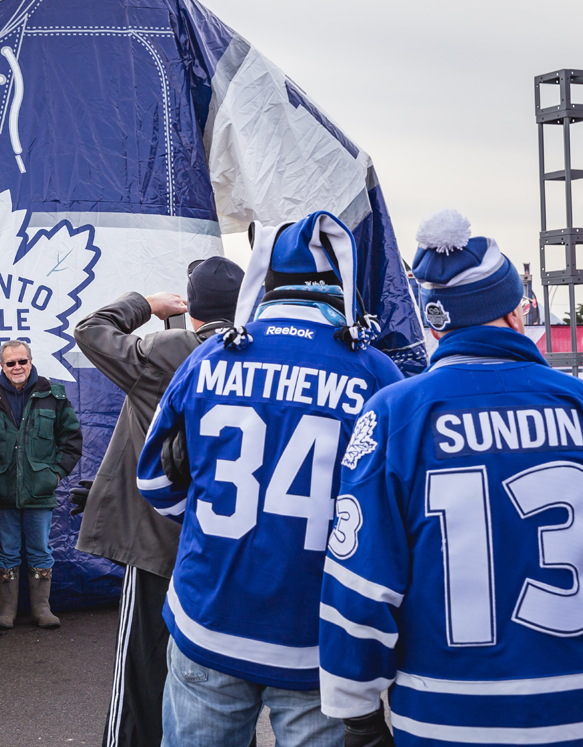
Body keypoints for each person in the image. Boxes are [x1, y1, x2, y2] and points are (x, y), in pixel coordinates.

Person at [138, 211, 404, 747]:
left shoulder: (210, 355)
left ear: (268, 277)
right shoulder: (374, 370)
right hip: (317, 634)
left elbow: (156, 486)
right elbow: (391, 521)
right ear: (341, 281)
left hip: (209, 611)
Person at [319, 209, 583, 746]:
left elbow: (361, 585)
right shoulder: (577, 404)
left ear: (435, 323)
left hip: (445, 718)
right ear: (514, 313)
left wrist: (358, 714)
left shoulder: (394, 414)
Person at [72, 257, 245, 747]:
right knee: (220, 678)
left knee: (142, 671)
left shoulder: (171, 348)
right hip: (223, 543)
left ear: (193, 312)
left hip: (158, 538)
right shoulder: (254, 355)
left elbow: (91, 330)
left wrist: (145, 305)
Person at [0, 340, 83, 629]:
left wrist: (56, 474)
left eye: (22, 361)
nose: (17, 367)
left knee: (40, 550)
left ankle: (41, 609)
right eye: (10, 363)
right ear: (1, 366)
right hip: (2, 491)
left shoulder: (53, 396)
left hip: (40, 491)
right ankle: (6, 611)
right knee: (6, 550)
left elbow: (72, 440)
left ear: (31, 361)